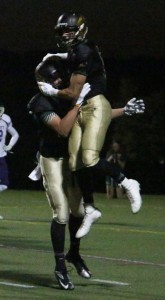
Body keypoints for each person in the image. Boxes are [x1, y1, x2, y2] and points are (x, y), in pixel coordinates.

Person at [37, 11, 145, 239]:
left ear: (81, 30)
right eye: (62, 31)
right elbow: (76, 58)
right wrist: (124, 110)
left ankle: (127, 182)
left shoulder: (83, 51)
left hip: (94, 105)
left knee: (89, 159)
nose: (65, 34)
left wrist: (54, 91)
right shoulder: (78, 51)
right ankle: (91, 208)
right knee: (76, 163)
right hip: (84, 108)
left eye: (70, 30)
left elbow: (74, 92)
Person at [28, 61, 92, 290]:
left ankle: (74, 254)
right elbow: (63, 129)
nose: (58, 81)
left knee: (80, 211)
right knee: (62, 214)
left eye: (59, 77)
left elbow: (95, 117)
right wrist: (77, 104)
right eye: (53, 79)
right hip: (52, 160)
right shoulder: (40, 102)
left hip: (70, 159)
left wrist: (124, 111)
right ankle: (60, 266)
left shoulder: (66, 95)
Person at [0, 102, 19, 219]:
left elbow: (15, 134)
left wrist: (10, 145)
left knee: (4, 184)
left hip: (1, 156)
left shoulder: (5, 119)